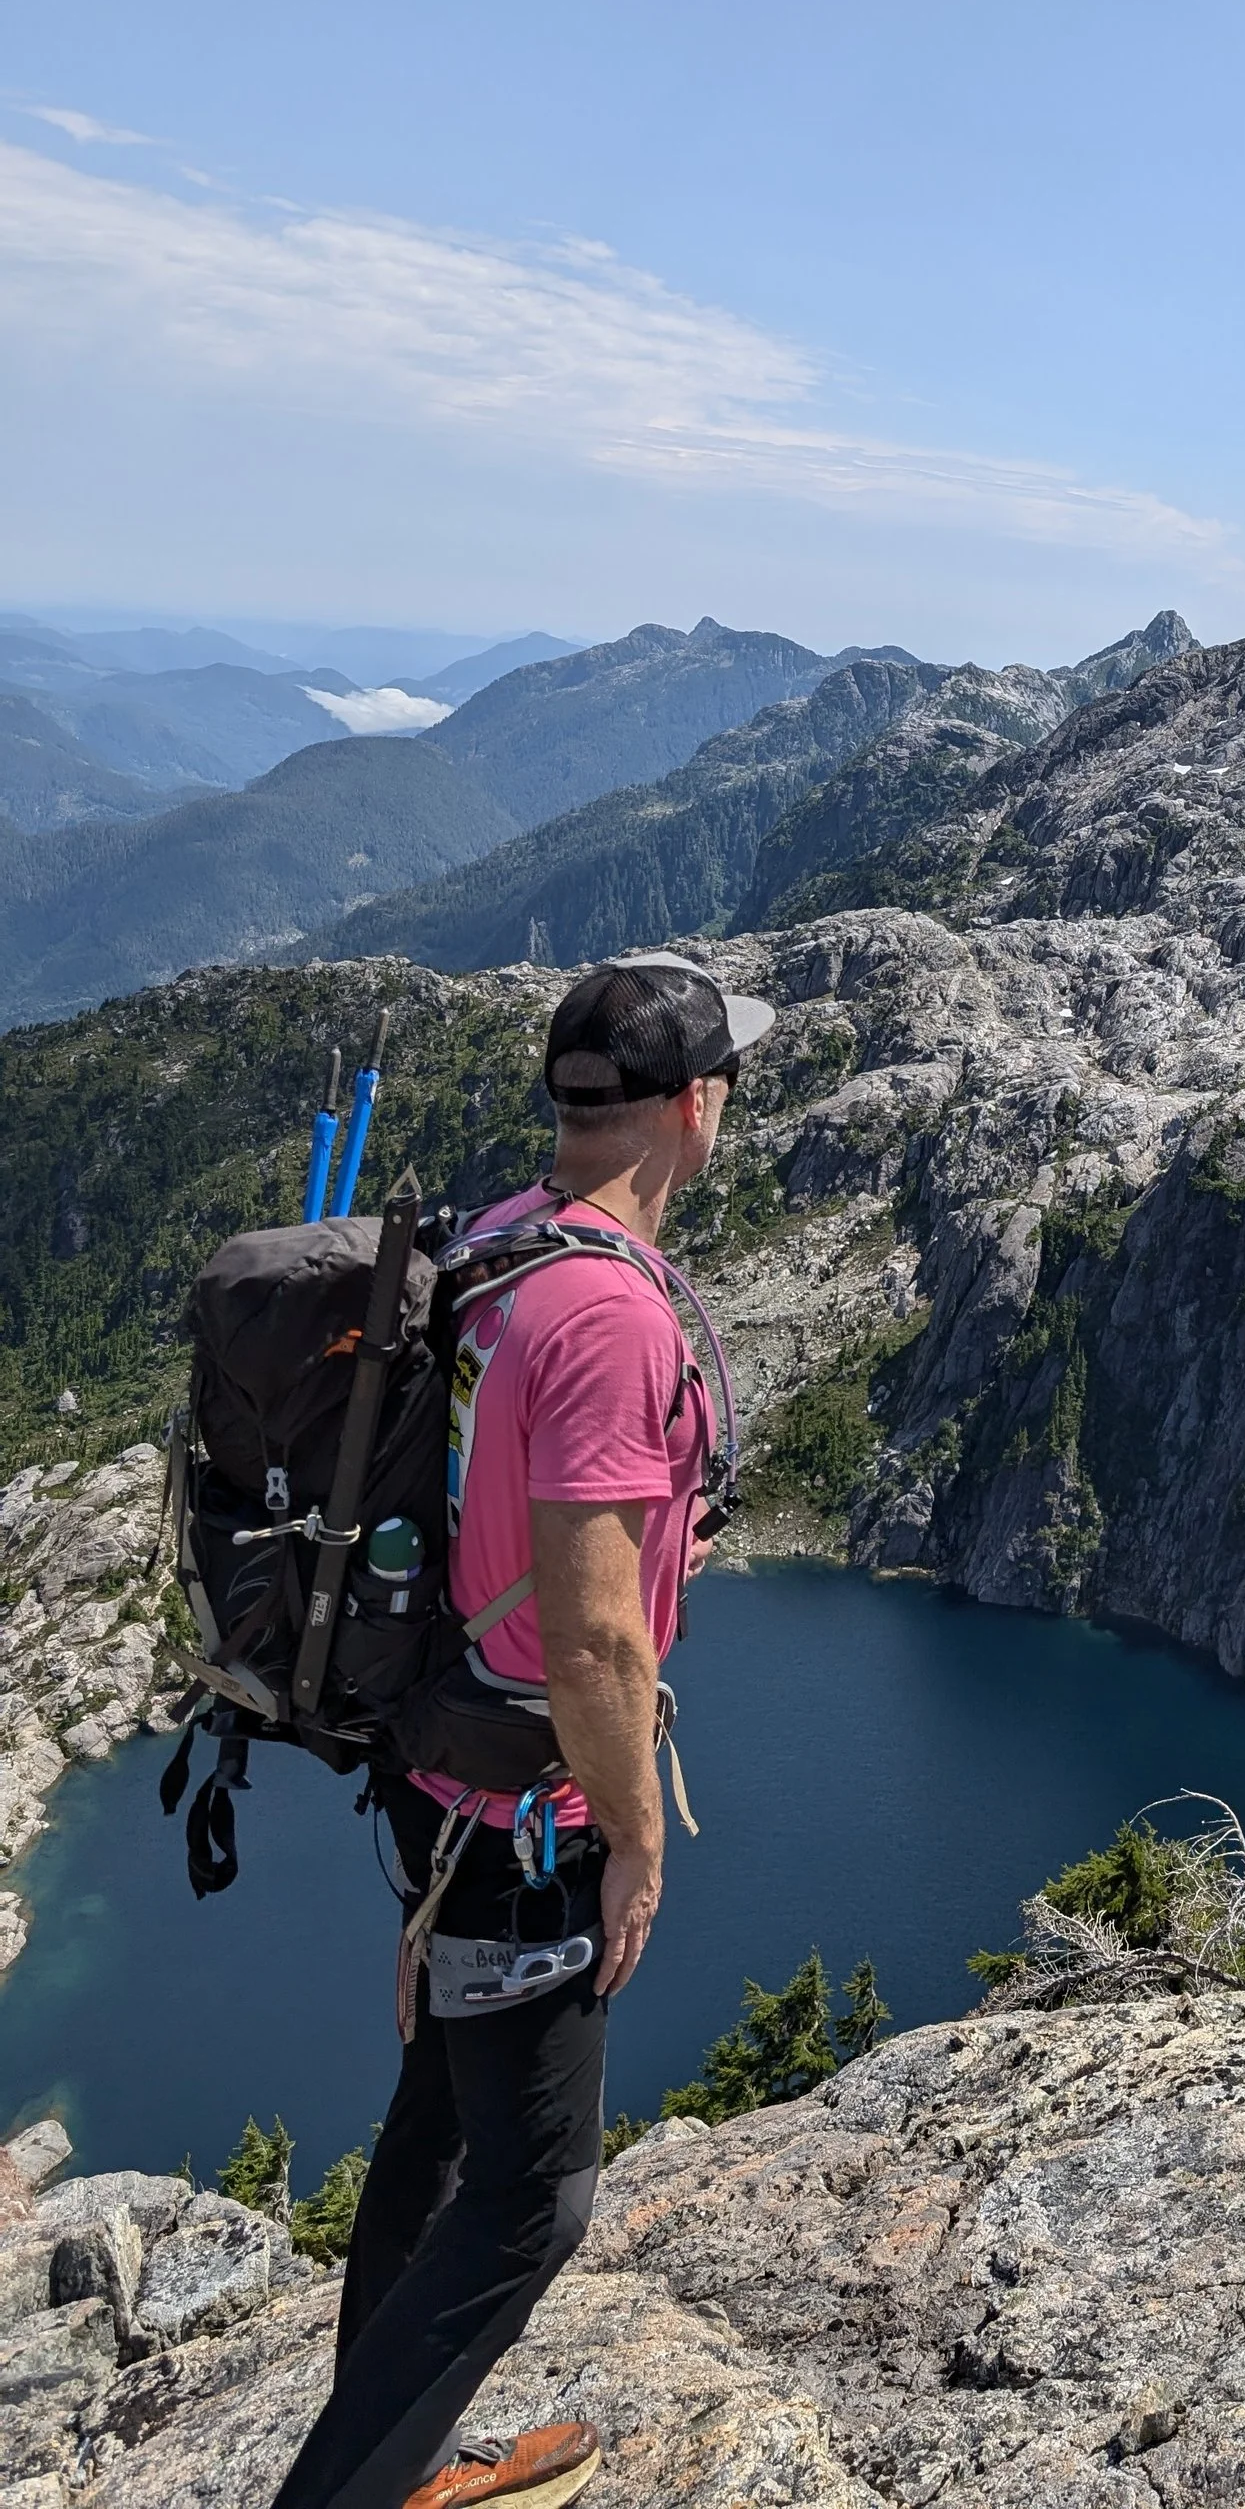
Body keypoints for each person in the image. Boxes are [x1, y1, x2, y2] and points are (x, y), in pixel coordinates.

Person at [271, 951, 774, 2509]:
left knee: (438, 2123)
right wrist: (633, 1841)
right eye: (730, 1083)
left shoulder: (493, 1243)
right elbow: (595, 1631)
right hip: (523, 1820)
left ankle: (399, 2458)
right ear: (694, 1109)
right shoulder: (613, 1319)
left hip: (429, 1769)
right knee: (533, 2203)